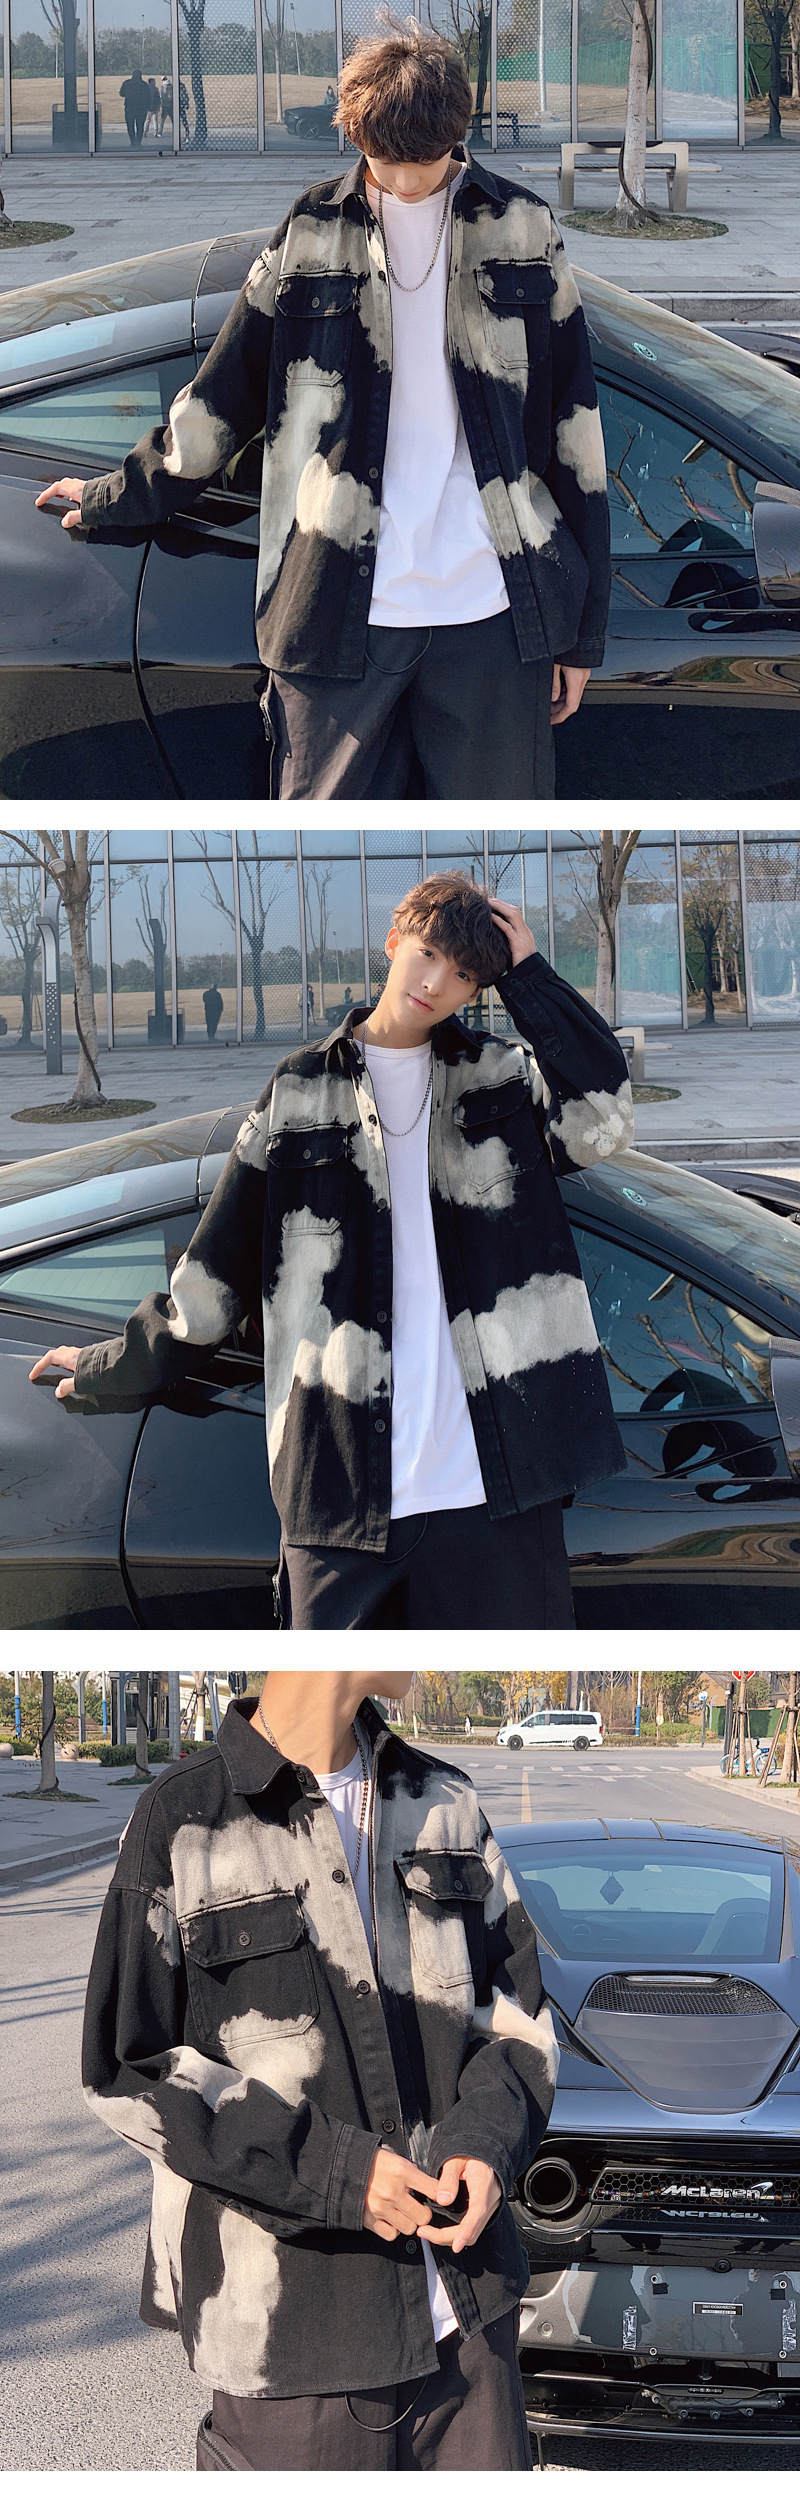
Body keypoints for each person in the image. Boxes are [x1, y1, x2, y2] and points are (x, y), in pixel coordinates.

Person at [29, 872, 632, 1631]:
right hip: (340, 1498)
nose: (436, 983)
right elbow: (214, 1281)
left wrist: (531, 978)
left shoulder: (502, 1078)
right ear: (394, 940)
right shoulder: (298, 1092)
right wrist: (107, 1367)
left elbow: (605, 1120)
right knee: (316, 1703)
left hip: (498, 1492)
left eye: (463, 974)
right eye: (428, 953)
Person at [36, 19, 609, 801]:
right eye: (383, 159)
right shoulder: (311, 231)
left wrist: (582, 634)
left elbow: (577, 429)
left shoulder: (524, 227)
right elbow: (223, 397)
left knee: (495, 843)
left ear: (456, 135)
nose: (403, 181)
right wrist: (117, 494)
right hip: (334, 610)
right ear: (356, 135)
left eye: (423, 161)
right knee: (316, 833)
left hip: (496, 615)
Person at [81, 1667, 559, 2467]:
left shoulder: (445, 1802)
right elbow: (128, 2067)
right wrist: (338, 2173)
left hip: (473, 2329)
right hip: (291, 2350)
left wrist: (485, 2142)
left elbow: (517, 2013)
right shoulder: (182, 1818)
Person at [119, 69, 151, 145]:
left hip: (130, 107)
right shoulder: (144, 85)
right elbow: (149, 97)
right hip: (141, 108)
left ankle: (132, 142)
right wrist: (148, 107)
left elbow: (121, 93)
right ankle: (138, 142)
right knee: (140, 126)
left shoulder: (127, 83)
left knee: (130, 126)